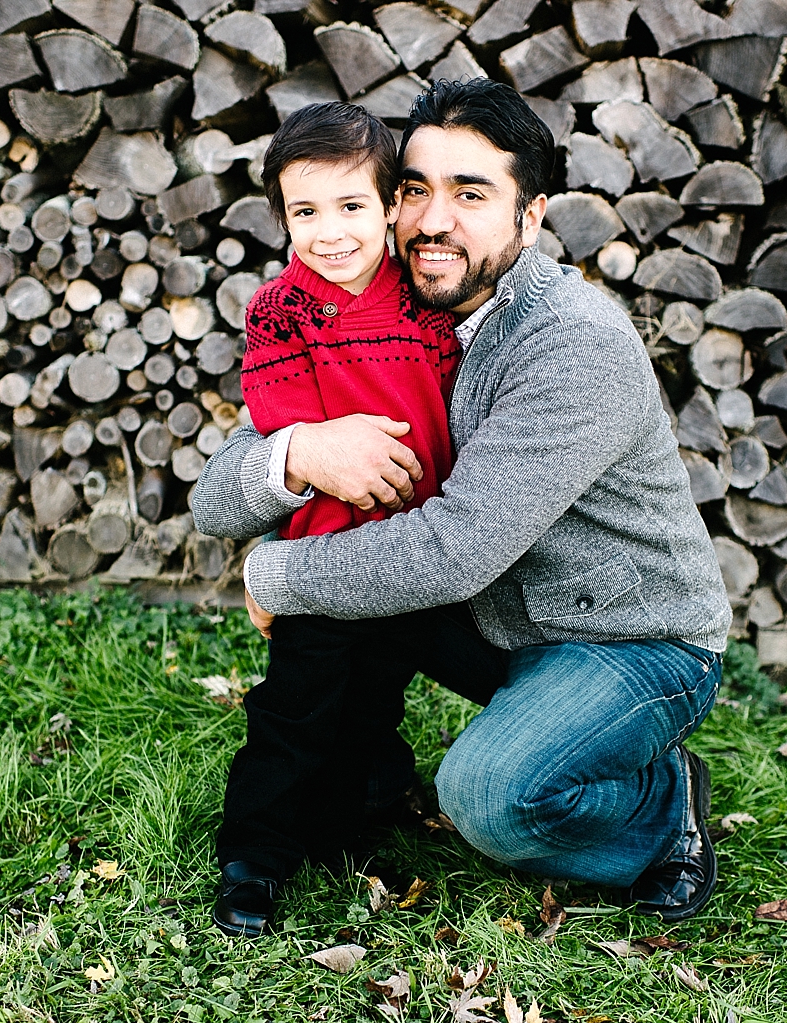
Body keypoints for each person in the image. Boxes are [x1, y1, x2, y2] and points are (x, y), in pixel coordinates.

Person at [193, 79, 732, 937]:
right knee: (334, 646)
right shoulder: (386, 306)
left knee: (490, 797)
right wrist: (301, 453)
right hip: (496, 616)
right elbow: (214, 495)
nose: (431, 221)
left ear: (533, 214)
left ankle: (666, 805)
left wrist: (276, 570)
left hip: (630, 638)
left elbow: (449, 552)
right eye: (415, 190)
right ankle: (340, 804)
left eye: (470, 194)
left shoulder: (571, 343)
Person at [210, 101, 464, 937]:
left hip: (415, 550)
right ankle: (256, 852)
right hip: (323, 552)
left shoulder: (428, 308)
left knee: (373, 698)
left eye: (351, 207)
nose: (330, 232)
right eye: (305, 212)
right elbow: (289, 425)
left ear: (391, 206)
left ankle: (345, 826)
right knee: (298, 705)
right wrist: (331, 448)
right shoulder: (281, 310)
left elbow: (455, 408)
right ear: (282, 217)